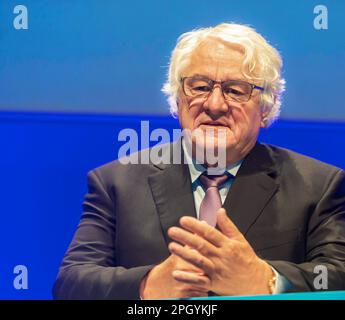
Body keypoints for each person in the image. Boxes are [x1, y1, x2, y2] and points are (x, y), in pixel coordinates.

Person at [53, 23, 345, 299]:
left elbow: (338, 275)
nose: (214, 105)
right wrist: (149, 285)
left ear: (266, 109)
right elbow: (72, 282)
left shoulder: (318, 187)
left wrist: (267, 280)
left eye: (235, 90)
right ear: (178, 100)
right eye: (200, 86)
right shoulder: (115, 183)